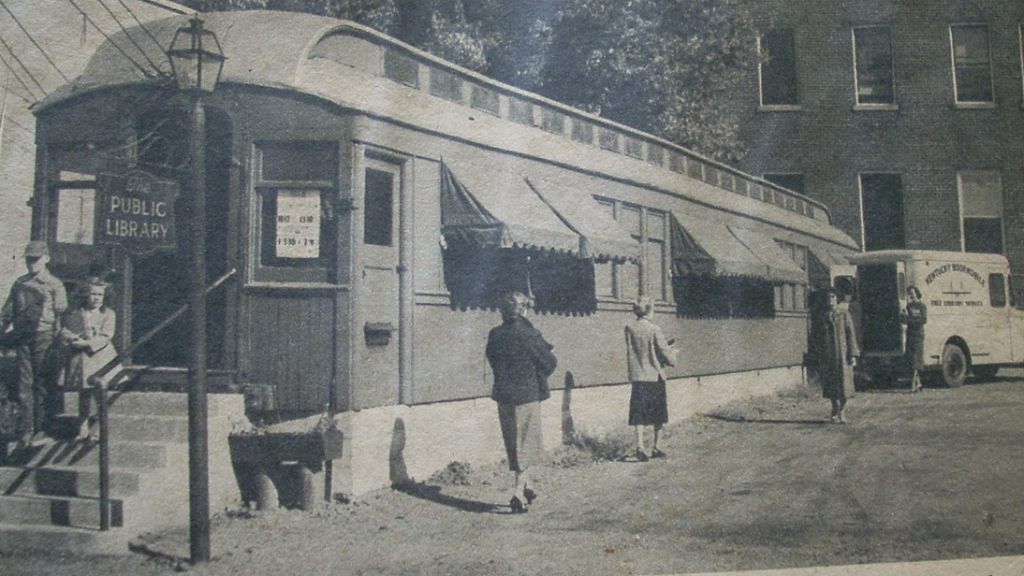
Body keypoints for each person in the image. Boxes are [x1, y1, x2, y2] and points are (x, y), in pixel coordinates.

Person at [485, 291, 557, 514]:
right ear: (524, 309)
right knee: (526, 443)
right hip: (527, 395)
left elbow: (492, 359)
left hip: (504, 395)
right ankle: (517, 492)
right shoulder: (529, 334)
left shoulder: (495, 334)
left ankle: (527, 485)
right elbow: (549, 362)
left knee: (514, 441)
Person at [0, 241, 68, 447]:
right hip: (23, 337)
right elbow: (7, 312)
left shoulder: (54, 285)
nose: (31, 263)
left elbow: (61, 313)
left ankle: (42, 428)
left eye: (35, 259)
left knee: (42, 383)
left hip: (44, 337)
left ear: (46, 259)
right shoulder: (20, 283)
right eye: (29, 259)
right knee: (24, 384)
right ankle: (26, 430)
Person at [58, 277, 118, 440]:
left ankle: (98, 427)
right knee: (84, 393)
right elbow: (64, 330)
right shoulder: (76, 313)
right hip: (82, 358)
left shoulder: (108, 314)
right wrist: (73, 339)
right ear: (85, 294)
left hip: (100, 357)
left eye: (100, 295)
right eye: (93, 294)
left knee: (100, 392)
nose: (96, 298)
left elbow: (107, 335)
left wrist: (88, 343)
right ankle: (82, 427)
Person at [624, 296, 676, 462]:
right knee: (658, 412)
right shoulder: (655, 329)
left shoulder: (629, 328)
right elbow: (664, 352)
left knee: (638, 412)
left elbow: (635, 350)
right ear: (649, 310)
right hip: (655, 375)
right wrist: (672, 355)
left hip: (638, 375)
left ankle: (640, 446)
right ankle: (656, 446)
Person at [818, 288, 858, 423]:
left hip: (843, 354)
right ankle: (834, 407)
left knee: (845, 384)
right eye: (828, 297)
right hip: (829, 354)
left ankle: (842, 411)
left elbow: (851, 334)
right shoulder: (824, 316)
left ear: (837, 299)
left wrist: (853, 354)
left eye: (833, 297)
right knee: (831, 384)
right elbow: (818, 337)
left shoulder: (844, 314)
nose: (831, 300)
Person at [900, 285, 927, 393]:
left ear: (917, 293)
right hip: (910, 334)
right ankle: (919, 383)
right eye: (909, 293)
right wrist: (903, 316)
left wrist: (909, 320)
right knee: (911, 359)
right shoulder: (909, 306)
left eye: (912, 293)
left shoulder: (922, 306)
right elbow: (904, 320)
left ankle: (913, 385)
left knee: (916, 359)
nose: (911, 295)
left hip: (918, 335)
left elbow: (923, 320)